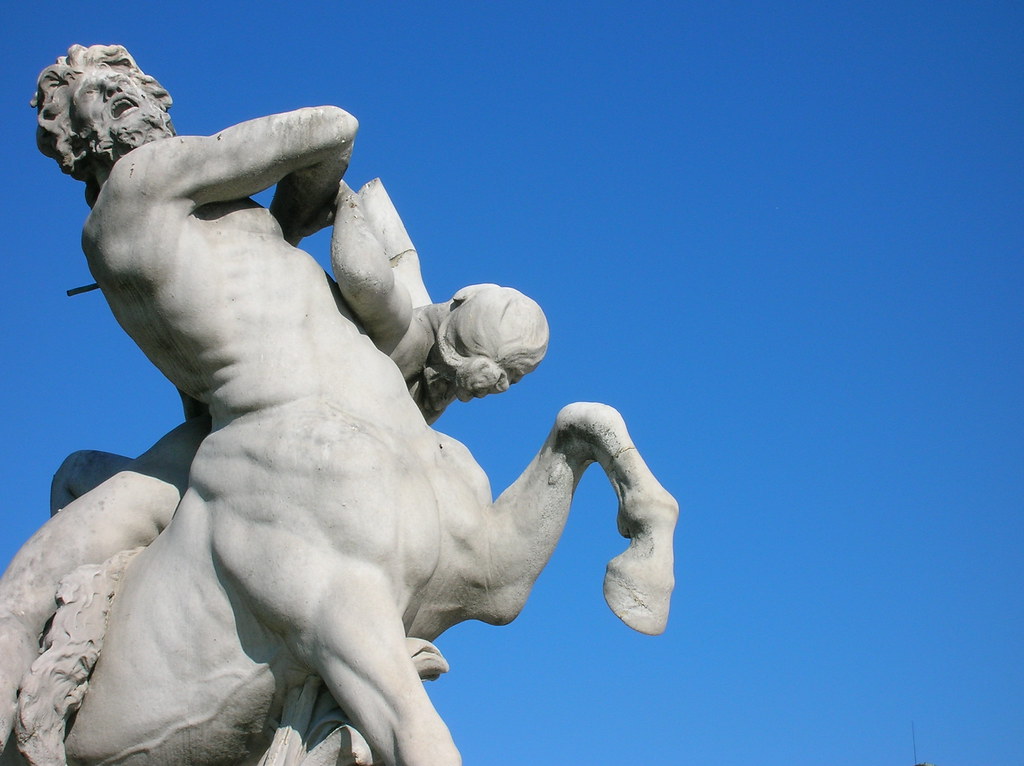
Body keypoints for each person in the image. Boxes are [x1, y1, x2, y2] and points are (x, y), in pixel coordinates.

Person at [0, 44, 549, 764]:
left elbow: (195, 388)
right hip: (278, 425)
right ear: (79, 139)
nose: (126, 97)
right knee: (34, 570)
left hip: (242, 424)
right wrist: (289, 220)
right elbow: (333, 128)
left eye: (130, 84)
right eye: (99, 96)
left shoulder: (149, 224)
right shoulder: (146, 176)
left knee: (40, 558)